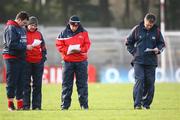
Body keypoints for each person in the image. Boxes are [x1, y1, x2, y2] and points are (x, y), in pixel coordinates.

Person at [125, 13, 166, 109]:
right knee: (139, 80)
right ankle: (137, 104)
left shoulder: (157, 31)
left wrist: (158, 49)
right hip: (138, 61)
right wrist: (134, 52)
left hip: (151, 62)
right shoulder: (137, 29)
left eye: (151, 25)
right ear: (144, 21)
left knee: (150, 82)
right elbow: (128, 43)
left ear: (153, 24)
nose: (148, 27)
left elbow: (162, 44)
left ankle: (146, 104)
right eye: (147, 24)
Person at [55, 15, 91, 110]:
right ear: (69, 24)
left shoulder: (84, 33)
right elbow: (59, 45)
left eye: (76, 25)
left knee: (82, 84)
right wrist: (68, 50)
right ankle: (65, 106)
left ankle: (84, 105)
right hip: (68, 62)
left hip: (81, 61)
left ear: (79, 25)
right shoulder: (62, 34)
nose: (74, 27)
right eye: (73, 25)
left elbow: (87, 45)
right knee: (67, 85)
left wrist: (80, 50)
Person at [2, 11, 33, 111]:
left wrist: (27, 47)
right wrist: (26, 47)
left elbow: (22, 42)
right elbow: (12, 44)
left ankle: (20, 104)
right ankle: (10, 104)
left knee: (21, 82)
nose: (25, 26)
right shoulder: (11, 28)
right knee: (12, 81)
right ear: (19, 19)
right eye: (24, 23)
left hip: (21, 58)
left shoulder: (21, 29)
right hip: (11, 58)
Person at [23, 16, 47, 110]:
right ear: (27, 25)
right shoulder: (22, 33)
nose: (33, 27)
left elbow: (43, 47)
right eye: (31, 25)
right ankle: (25, 106)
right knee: (26, 85)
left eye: (35, 25)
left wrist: (43, 59)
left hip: (38, 62)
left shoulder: (39, 34)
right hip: (26, 62)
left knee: (37, 85)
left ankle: (37, 106)